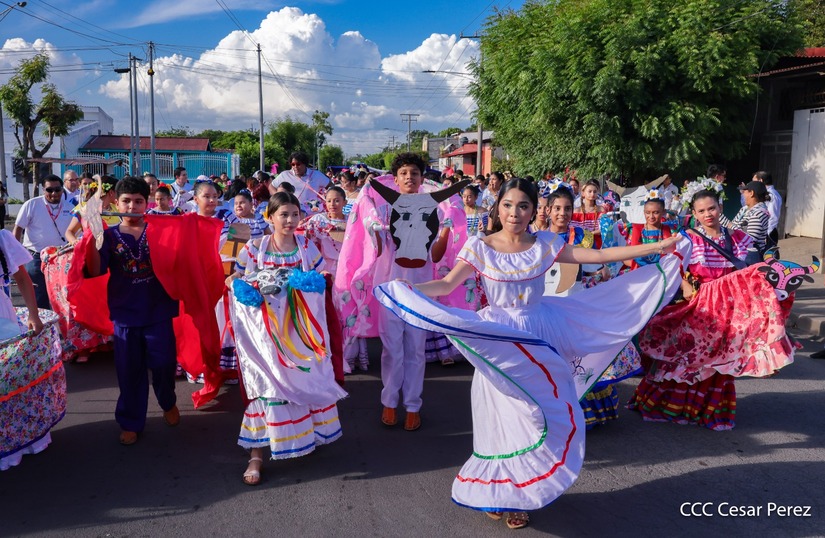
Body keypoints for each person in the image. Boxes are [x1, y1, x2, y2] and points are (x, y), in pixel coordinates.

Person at [374, 178, 682, 529]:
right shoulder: (481, 246)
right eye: (507, 205)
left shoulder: (545, 244)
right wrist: (406, 289)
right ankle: (498, 492)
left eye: (523, 206)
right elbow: (446, 285)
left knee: (537, 415)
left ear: (535, 210)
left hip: (540, 332)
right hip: (499, 341)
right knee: (502, 419)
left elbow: (596, 255)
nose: (514, 213)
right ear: (497, 207)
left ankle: (521, 494)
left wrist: (657, 247)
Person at [628, 182, 794, 430]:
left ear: (720, 208)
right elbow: (673, 268)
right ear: (694, 214)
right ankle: (673, 405)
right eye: (702, 211)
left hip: (728, 310)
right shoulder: (687, 239)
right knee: (690, 357)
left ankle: (710, 409)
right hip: (701, 308)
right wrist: (685, 283)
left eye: (712, 209)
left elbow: (753, 264)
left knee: (721, 359)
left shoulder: (738, 238)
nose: (708, 214)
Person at [229, 191, 346, 485]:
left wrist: (309, 284)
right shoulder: (253, 246)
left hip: (301, 333)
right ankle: (255, 455)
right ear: (269, 217)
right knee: (266, 386)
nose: (290, 220)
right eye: (283, 214)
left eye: (295, 214)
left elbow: (324, 279)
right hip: (266, 336)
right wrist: (243, 289)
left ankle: (307, 436)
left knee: (304, 381)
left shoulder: (308, 248)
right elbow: (231, 277)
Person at [84, 177, 181, 445]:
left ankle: (168, 401)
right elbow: (94, 271)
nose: (132, 206)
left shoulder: (161, 230)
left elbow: (182, 258)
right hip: (125, 314)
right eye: (126, 201)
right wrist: (93, 236)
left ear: (146, 203)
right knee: (129, 371)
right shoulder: (109, 235)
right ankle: (130, 421)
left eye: (138, 201)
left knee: (163, 365)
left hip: (159, 310)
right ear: (116, 203)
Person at [13, 174, 74, 309]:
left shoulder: (70, 207)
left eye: (58, 190)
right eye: (49, 190)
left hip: (60, 258)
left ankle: (60, 327)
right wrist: (15, 256)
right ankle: (42, 327)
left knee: (63, 294)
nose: (54, 193)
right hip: (35, 257)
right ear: (43, 190)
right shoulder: (32, 204)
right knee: (39, 295)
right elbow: (18, 229)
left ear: (62, 190)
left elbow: (76, 232)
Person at [64, 175, 120, 245]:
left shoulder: (116, 208)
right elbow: (69, 231)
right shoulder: (85, 209)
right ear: (111, 192)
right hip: (93, 250)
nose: (120, 196)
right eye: (118, 193)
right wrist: (74, 242)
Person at [725, 180, 770, 265]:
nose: (743, 194)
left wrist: (728, 224)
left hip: (750, 255)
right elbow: (733, 226)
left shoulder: (759, 213)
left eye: (744, 192)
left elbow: (750, 239)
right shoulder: (744, 209)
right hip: (740, 252)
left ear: (751, 193)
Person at [571, 179, 605, 247]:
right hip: (580, 242)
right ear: (583, 193)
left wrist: (591, 233)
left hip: (597, 243)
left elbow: (604, 228)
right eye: (589, 191)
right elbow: (571, 229)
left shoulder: (601, 210)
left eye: (595, 192)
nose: (592, 194)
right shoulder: (576, 211)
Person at [752, 171, 782, 248]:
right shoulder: (765, 193)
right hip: (764, 231)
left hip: (768, 232)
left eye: (754, 181)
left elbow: (773, 216)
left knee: (770, 257)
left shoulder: (772, 196)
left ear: (760, 181)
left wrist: (766, 233)